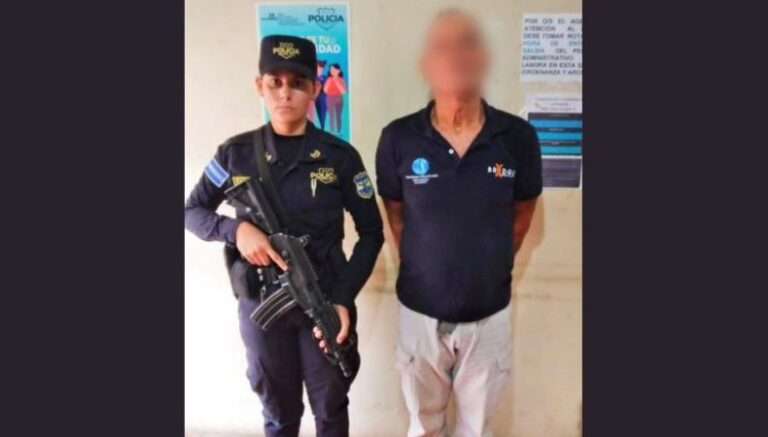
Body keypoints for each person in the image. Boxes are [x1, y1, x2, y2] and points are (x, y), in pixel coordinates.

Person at [185, 35, 384, 437]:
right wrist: (235, 230)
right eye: (275, 82)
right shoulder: (234, 154)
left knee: (331, 409)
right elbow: (192, 211)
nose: (285, 93)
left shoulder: (340, 157)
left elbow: (372, 233)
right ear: (259, 85)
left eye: (297, 83)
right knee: (278, 413)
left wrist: (343, 298)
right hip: (262, 306)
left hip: (323, 299)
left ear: (314, 90)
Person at [375, 9, 542, 437]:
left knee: (476, 429)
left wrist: (486, 265)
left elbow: (522, 214)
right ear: (425, 64)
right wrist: (430, 264)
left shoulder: (518, 138)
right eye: (442, 46)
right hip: (419, 313)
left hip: (489, 314)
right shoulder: (398, 138)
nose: (456, 55)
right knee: (423, 425)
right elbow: (395, 213)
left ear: (484, 58)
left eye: (468, 43)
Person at [323, 63, 346, 134]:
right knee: (331, 116)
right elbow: (325, 90)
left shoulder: (341, 80)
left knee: (338, 116)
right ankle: (332, 132)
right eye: (331, 70)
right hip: (330, 98)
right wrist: (330, 82)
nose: (332, 71)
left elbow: (343, 91)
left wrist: (336, 82)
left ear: (338, 70)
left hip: (339, 98)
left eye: (334, 69)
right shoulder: (329, 79)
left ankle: (339, 131)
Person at [314, 60, 328, 129]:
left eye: (319, 67)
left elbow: (326, 89)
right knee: (318, 112)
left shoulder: (325, 78)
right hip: (316, 97)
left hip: (323, 98)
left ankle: (323, 127)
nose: (318, 69)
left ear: (322, 68)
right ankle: (320, 126)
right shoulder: (314, 77)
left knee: (323, 113)